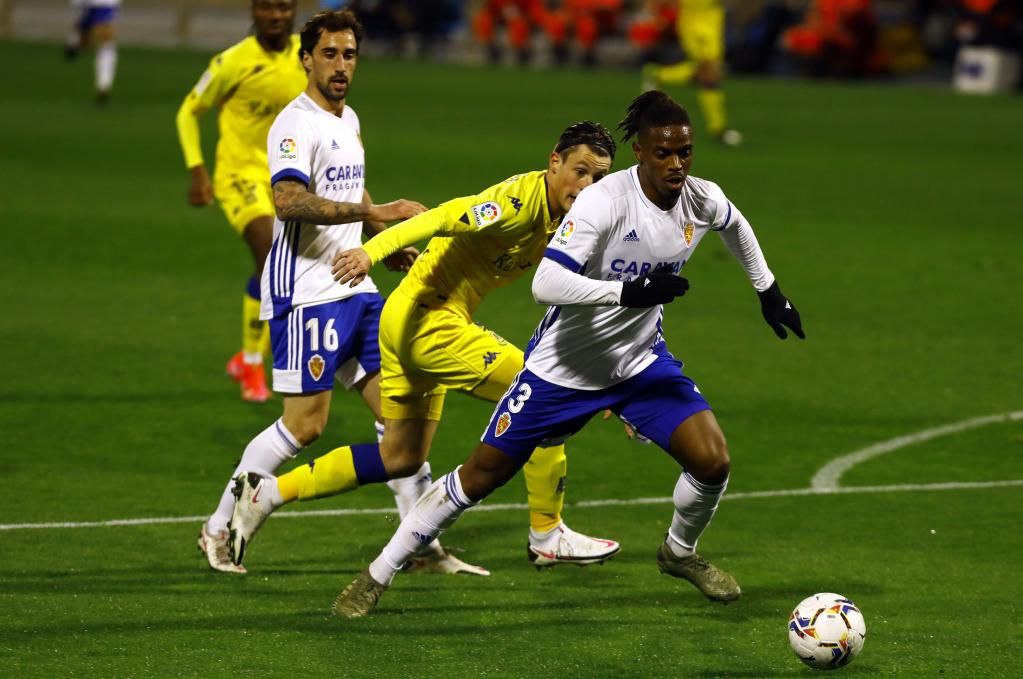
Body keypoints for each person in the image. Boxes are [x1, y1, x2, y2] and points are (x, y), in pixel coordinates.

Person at [330, 90, 806, 618]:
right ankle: (377, 575)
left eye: (685, 152)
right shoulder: (604, 202)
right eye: (663, 153)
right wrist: (624, 293)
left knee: (713, 461)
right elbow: (547, 281)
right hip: (563, 371)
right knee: (478, 477)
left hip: (639, 363)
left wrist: (768, 289)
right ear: (641, 153)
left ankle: (678, 553)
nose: (677, 164)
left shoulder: (700, 198)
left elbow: (735, 223)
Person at [227, 121, 622, 573]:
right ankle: (547, 534)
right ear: (555, 162)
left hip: (407, 318)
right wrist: (370, 252)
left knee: (400, 457)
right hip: (427, 321)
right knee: (540, 394)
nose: (587, 185)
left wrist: (608, 369)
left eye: (599, 177)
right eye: (580, 171)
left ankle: (267, 493)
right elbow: (440, 216)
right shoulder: (515, 204)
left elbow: (582, 295)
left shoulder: (574, 221)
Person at [198, 9, 431, 574]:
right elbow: (288, 202)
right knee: (306, 425)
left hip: (355, 284)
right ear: (307, 59)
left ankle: (419, 541)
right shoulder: (294, 123)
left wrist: (380, 237)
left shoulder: (347, 119)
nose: (341, 65)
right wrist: (374, 212)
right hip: (306, 292)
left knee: (401, 415)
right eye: (329, 54)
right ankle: (216, 527)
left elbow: (350, 189)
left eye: (349, 54)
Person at [176, 0, 308, 403]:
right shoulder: (232, 62)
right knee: (271, 255)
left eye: (283, 7)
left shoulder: (307, 54)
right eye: (267, 8)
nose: (275, 16)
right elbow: (188, 110)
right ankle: (253, 363)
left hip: (285, 176)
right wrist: (197, 169)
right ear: (254, 12)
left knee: (284, 267)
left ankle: (248, 354)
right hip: (238, 176)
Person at [639, 1, 742, 146]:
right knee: (710, 72)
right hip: (692, 24)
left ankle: (659, 75)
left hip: (712, 22)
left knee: (706, 73)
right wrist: (654, 11)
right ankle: (718, 129)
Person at [65, 0, 120, 104]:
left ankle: (103, 88)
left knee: (106, 40)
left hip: (105, 3)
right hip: (86, 4)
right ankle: (74, 42)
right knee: (86, 40)